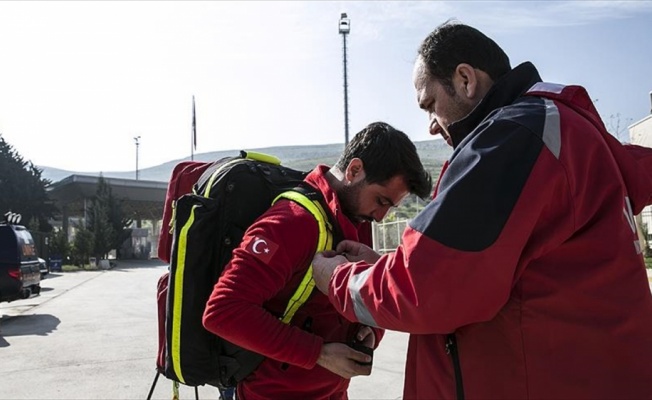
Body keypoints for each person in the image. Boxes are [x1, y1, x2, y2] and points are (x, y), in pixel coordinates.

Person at [313, 21, 652, 399]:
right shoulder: (563, 131)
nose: (430, 125)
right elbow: (487, 269)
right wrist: (383, 268)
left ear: (465, 80)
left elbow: (427, 290)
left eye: (429, 104)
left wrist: (337, 277)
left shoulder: (511, 139)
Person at [202, 121, 432, 400]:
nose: (381, 216)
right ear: (354, 170)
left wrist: (370, 332)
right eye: (381, 201)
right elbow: (223, 311)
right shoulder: (291, 222)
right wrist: (318, 353)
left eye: (390, 206)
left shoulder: (355, 221)